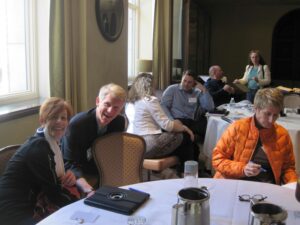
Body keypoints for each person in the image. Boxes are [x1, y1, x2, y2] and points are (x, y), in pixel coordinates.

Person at [0, 97, 80, 225]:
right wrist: (81, 204)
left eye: (63, 118)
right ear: (42, 121)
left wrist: (71, 176)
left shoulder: (51, 143)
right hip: (11, 210)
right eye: (53, 117)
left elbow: (55, 179)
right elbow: (54, 193)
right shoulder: (39, 148)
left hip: (30, 203)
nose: (59, 122)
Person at [212, 88, 297, 185]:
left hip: (266, 186)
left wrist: (293, 185)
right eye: (267, 114)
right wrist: (243, 169)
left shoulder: (282, 134)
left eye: (275, 115)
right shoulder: (237, 128)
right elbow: (218, 159)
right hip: (235, 182)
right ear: (256, 109)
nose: (271, 120)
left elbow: (288, 168)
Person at [61, 83, 126, 194]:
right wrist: (87, 188)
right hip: (74, 170)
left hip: (99, 167)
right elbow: (69, 162)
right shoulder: (77, 125)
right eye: (107, 104)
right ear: (97, 101)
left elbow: (114, 152)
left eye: (116, 107)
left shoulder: (119, 122)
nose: (110, 111)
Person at [126, 73, 194, 171]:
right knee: (185, 137)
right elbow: (167, 125)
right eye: (154, 85)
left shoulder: (130, 102)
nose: (155, 88)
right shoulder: (149, 100)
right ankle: (188, 172)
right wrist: (185, 128)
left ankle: (179, 170)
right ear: (150, 86)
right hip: (147, 144)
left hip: (133, 144)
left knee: (180, 143)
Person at [161, 69, 214, 159]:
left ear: (194, 83)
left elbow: (210, 108)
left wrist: (204, 90)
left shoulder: (197, 92)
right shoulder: (172, 89)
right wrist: (172, 120)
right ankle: (189, 163)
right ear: (181, 79)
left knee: (209, 128)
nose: (186, 84)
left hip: (190, 121)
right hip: (176, 120)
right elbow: (163, 106)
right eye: (184, 81)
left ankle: (210, 158)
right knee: (187, 139)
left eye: (189, 82)